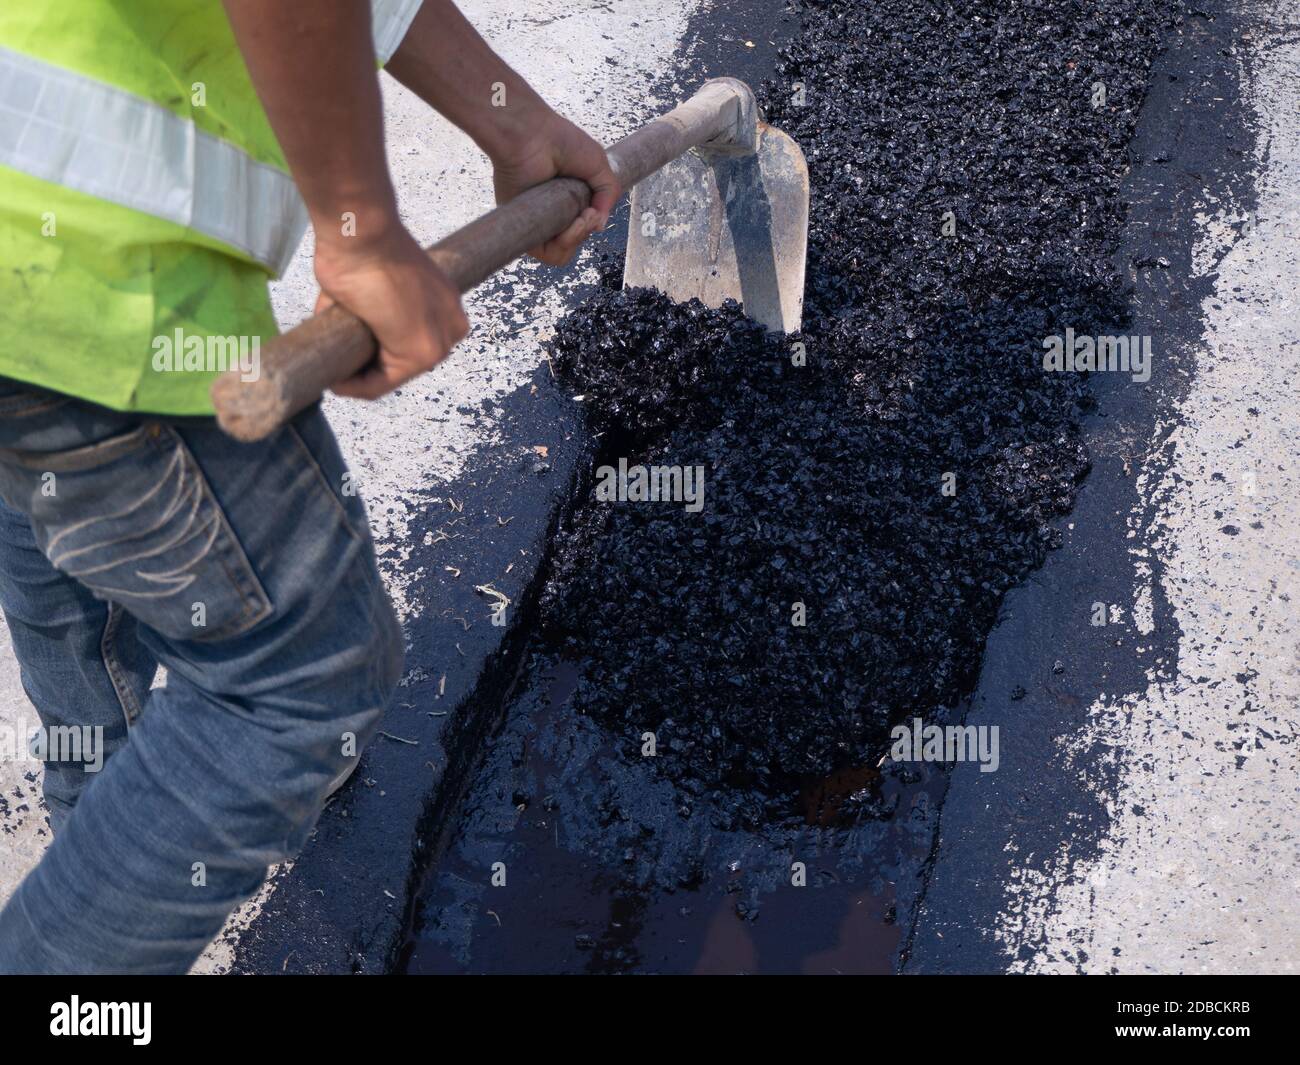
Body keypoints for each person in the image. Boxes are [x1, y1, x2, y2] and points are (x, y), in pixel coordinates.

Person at [0, 0, 618, 973]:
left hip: (28, 281)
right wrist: (363, 232)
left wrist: (511, 118)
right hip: (98, 273)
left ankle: (106, 816)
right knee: (303, 682)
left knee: (63, 528)